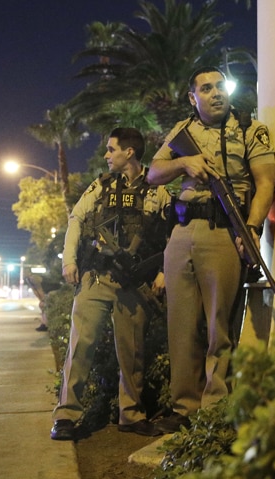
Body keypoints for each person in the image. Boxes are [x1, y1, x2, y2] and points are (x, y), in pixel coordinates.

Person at [147, 66, 275, 433]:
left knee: (220, 325)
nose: (216, 93)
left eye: (221, 86)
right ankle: (183, 408)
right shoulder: (183, 131)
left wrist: (250, 228)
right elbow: (154, 173)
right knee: (182, 326)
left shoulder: (251, 129)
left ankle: (215, 408)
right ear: (193, 97)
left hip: (225, 232)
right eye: (207, 88)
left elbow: (266, 182)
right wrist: (183, 162)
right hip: (183, 232)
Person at [50, 127, 171, 440]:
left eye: (111, 149)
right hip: (97, 278)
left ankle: (130, 414)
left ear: (128, 152)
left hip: (135, 283)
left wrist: (164, 271)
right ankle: (66, 416)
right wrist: (69, 260)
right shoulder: (100, 186)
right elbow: (76, 219)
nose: (106, 155)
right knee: (80, 346)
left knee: (133, 353)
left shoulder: (157, 188)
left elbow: (171, 233)